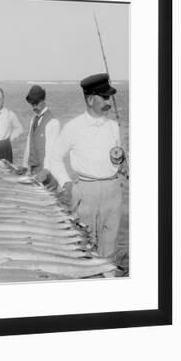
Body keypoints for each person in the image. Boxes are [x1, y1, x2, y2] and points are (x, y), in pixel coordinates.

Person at [51, 73, 124, 260]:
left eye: (109, 96)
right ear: (90, 99)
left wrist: (124, 164)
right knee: (85, 245)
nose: (109, 100)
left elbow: (120, 159)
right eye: (104, 97)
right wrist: (66, 184)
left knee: (110, 246)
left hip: (113, 191)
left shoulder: (115, 127)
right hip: (86, 191)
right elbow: (54, 158)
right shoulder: (73, 127)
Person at [18, 85, 60, 190]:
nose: (34, 108)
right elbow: (29, 144)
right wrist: (24, 165)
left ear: (43, 100)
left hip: (47, 174)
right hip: (34, 172)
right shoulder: (33, 120)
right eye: (32, 104)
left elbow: (52, 152)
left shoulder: (53, 122)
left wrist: (46, 171)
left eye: (36, 104)